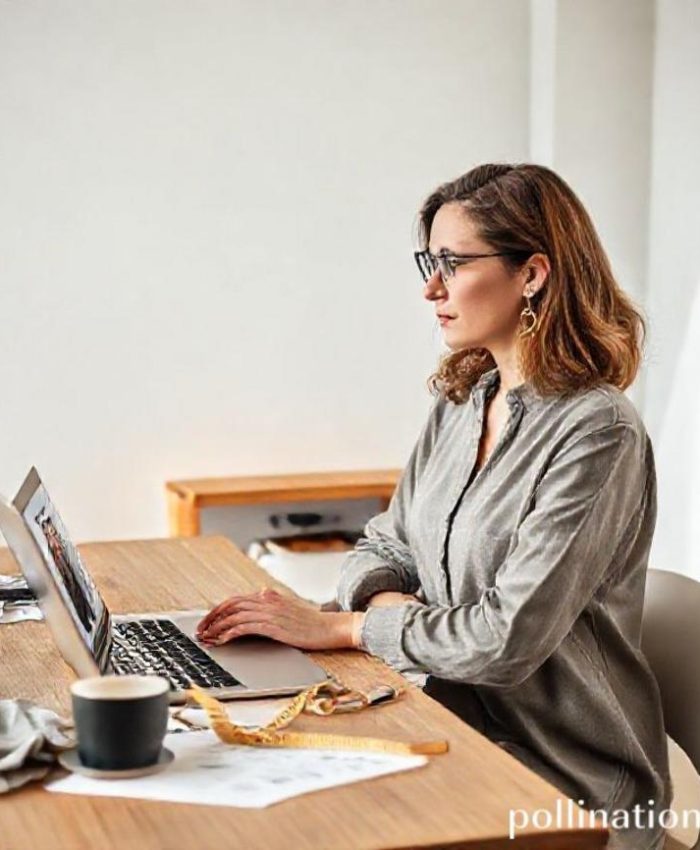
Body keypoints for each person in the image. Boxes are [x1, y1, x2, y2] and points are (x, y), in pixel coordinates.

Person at [197, 163, 670, 850]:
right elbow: (382, 547)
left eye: (452, 263)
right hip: (447, 723)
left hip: (567, 789)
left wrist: (350, 630)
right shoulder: (462, 401)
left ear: (532, 273)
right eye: (430, 261)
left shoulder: (599, 432)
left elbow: (504, 643)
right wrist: (389, 608)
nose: (431, 288)